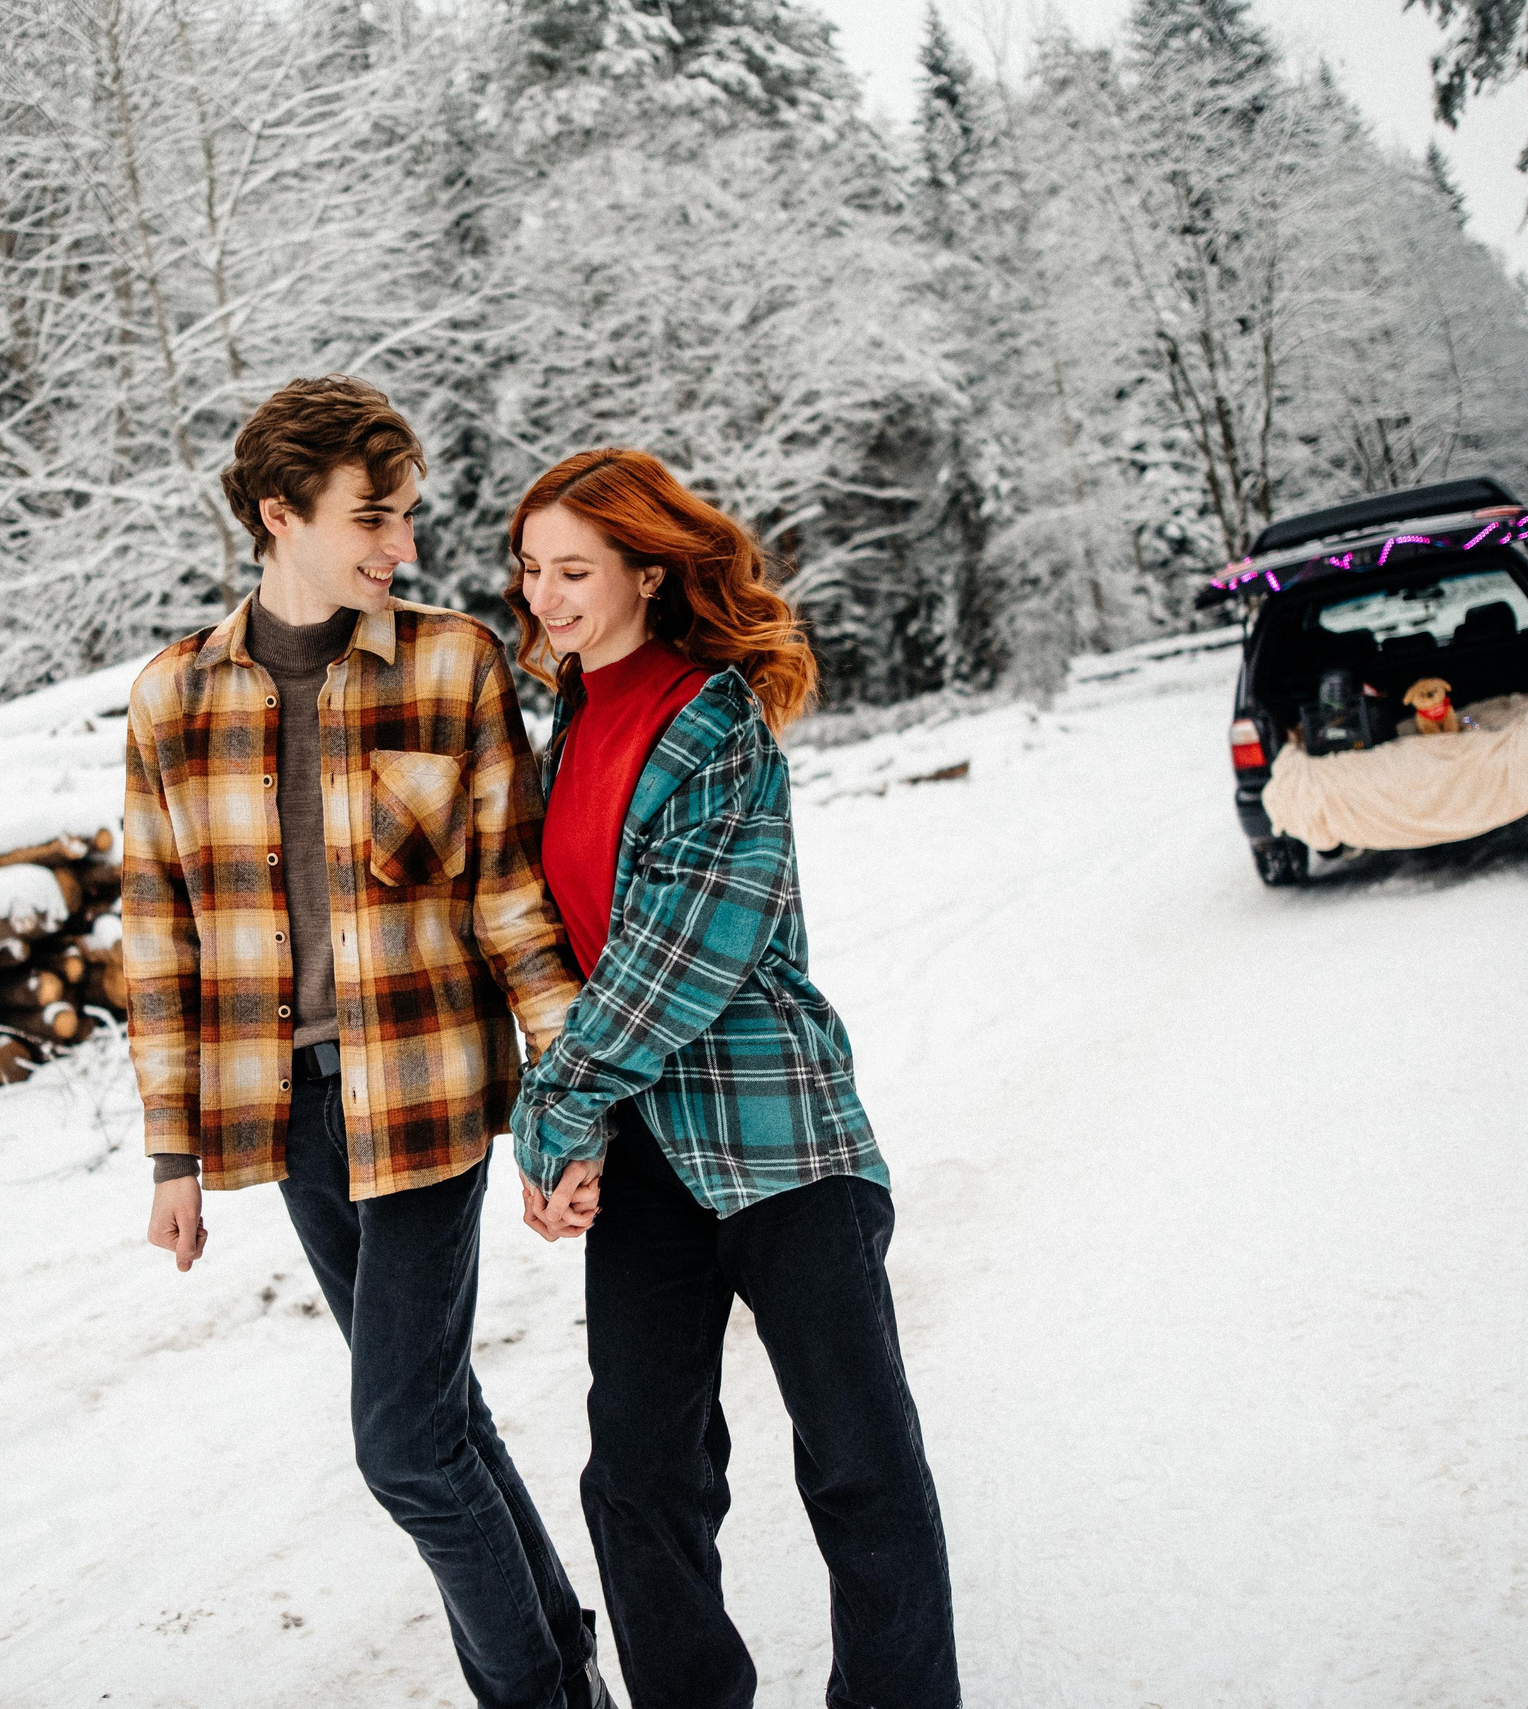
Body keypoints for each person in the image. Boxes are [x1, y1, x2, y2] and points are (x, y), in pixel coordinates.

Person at [121, 376, 615, 1709]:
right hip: (284, 1117)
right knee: (438, 1416)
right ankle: (562, 1656)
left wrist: (568, 1105)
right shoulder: (173, 698)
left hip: (428, 1098)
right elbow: (159, 941)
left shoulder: (449, 662)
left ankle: (537, 1697)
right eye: (372, 516)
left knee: (400, 1444)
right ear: (282, 513)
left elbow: (513, 904)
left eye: (403, 516)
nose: (401, 544)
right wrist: (172, 1150)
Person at [504, 448, 961, 1709]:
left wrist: (551, 1104)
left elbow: (678, 959)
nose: (545, 595)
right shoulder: (566, 716)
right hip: (645, 1153)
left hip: (778, 1139)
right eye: (533, 569)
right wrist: (581, 1118)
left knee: (858, 1460)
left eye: (575, 570)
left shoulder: (713, 720)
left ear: (649, 572)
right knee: (639, 1476)